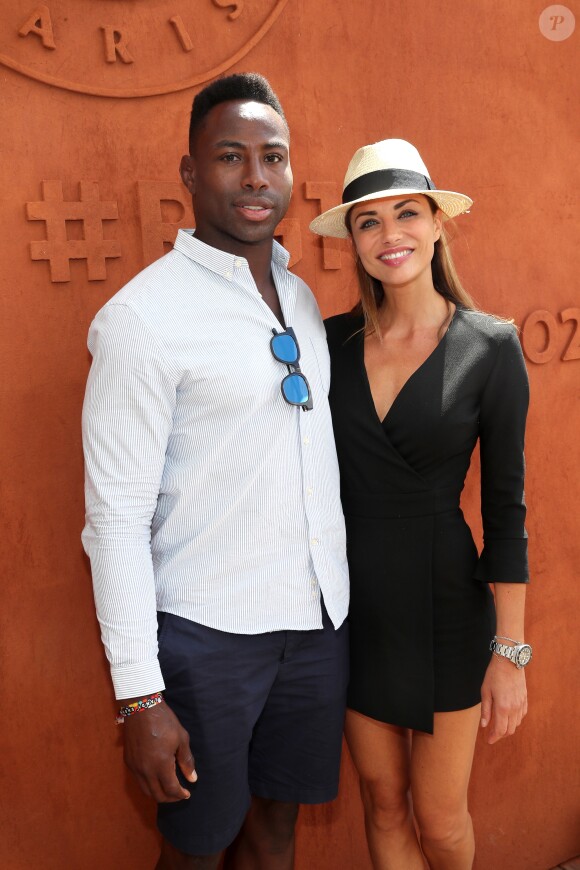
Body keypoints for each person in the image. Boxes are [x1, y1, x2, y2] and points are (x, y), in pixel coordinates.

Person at [82, 73, 349, 870]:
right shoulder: (143, 320)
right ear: (191, 174)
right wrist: (141, 696)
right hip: (207, 640)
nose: (257, 177)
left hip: (314, 625)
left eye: (273, 156)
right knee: (198, 849)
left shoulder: (301, 299)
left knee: (275, 835)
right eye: (231, 157)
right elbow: (115, 520)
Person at [309, 139, 531, 870]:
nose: (389, 234)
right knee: (380, 799)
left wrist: (510, 655)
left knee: (440, 820)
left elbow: (506, 511)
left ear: (437, 224)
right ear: (355, 242)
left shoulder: (490, 346)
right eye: (368, 222)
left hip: (445, 608)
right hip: (353, 605)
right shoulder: (328, 344)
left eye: (407, 213)